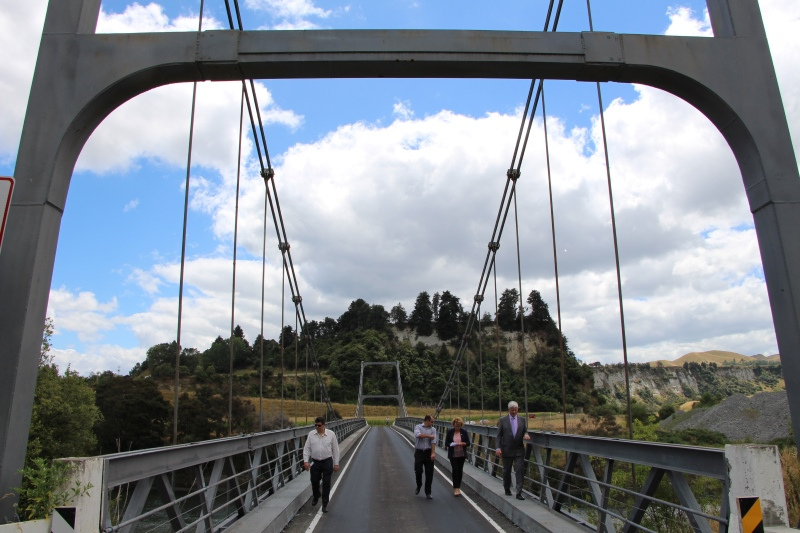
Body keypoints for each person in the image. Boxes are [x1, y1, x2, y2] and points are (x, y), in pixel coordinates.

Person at [303, 416, 340, 513]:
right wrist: (306, 461)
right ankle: (316, 495)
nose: (317, 427)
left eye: (319, 425)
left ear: (324, 425)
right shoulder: (311, 434)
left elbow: (335, 449)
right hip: (315, 462)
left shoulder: (331, 434)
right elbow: (307, 448)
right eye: (315, 425)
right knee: (314, 481)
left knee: (326, 483)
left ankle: (325, 504)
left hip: (327, 461)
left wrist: (336, 463)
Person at [495, 401, 531, 500]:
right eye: (512, 410)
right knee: (506, 471)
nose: (514, 412)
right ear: (509, 410)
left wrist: (526, 434)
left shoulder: (522, 419)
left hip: (519, 450)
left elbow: (524, 430)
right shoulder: (503, 420)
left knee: (519, 471)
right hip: (506, 449)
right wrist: (498, 448)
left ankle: (519, 492)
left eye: (516, 410)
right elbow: (498, 436)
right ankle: (507, 488)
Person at [444, 417, 471, 496]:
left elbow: (468, 443)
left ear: (461, 425)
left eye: (458, 426)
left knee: (460, 470)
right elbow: (446, 443)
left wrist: (462, 443)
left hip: (461, 454)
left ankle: (458, 487)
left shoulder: (464, 432)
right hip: (453, 454)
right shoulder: (450, 432)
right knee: (455, 470)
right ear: (453, 425)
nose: (457, 427)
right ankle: (456, 488)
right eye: (456, 426)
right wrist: (451, 444)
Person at [413, 414, 437, 499]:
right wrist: (428, 436)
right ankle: (419, 485)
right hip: (419, 452)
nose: (433, 423)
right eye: (431, 421)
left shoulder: (433, 429)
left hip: (428, 452)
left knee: (429, 473)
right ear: (427, 420)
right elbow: (418, 435)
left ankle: (428, 492)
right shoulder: (418, 427)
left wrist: (433, 453)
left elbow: (433, 442)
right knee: (418, 471)